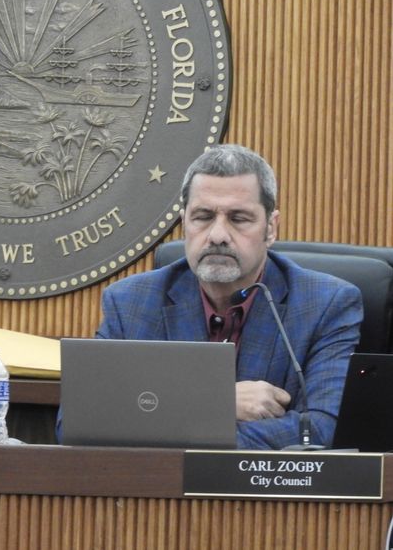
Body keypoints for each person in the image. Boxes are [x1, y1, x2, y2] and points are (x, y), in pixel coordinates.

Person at [94, 144, 362, 449]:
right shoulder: (130, 303)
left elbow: (322, 429)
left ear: (271, 229)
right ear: (185, 223)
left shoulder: (326, 304)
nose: (217, 235)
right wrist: (216, 402)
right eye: (203, 217)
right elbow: (85, 421)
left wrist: (168, 427)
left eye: (238, 218)